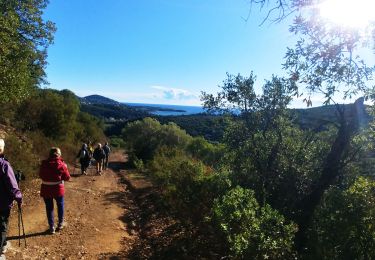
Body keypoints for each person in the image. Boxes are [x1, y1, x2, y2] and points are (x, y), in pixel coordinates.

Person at [39, 147, 70, 234]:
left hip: (46, 188)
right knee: (60, 205)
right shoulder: (62, 164)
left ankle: (51, 227)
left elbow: (41, 175)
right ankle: (60, 224)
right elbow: (67, 177)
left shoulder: (44, 163)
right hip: (58, 189)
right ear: (59, 154)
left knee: (49, 208)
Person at [0, 139, 22, 257]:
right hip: (2, 203)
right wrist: (18, 198)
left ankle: (2, 245)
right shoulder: (4, 165)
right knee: (2, 226)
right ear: (2, 149)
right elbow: (12, 186)